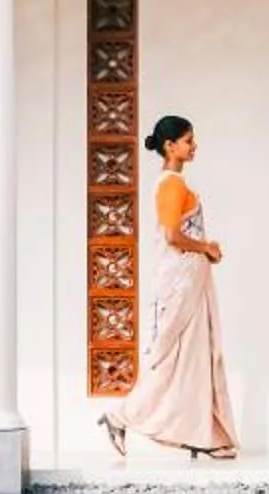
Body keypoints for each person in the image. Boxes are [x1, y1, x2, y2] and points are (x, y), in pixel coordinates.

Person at [98, 114, 237, 459]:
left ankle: (202, 433)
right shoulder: (171, 183)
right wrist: (206, 247)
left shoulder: (173, 183)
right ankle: (120, 415)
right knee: (170, 357)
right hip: (180, 279)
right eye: (188, 140)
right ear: (170, 146)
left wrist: (206, 250)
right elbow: (173, 235)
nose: (194, 146)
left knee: (195, 354)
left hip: (190, 278)